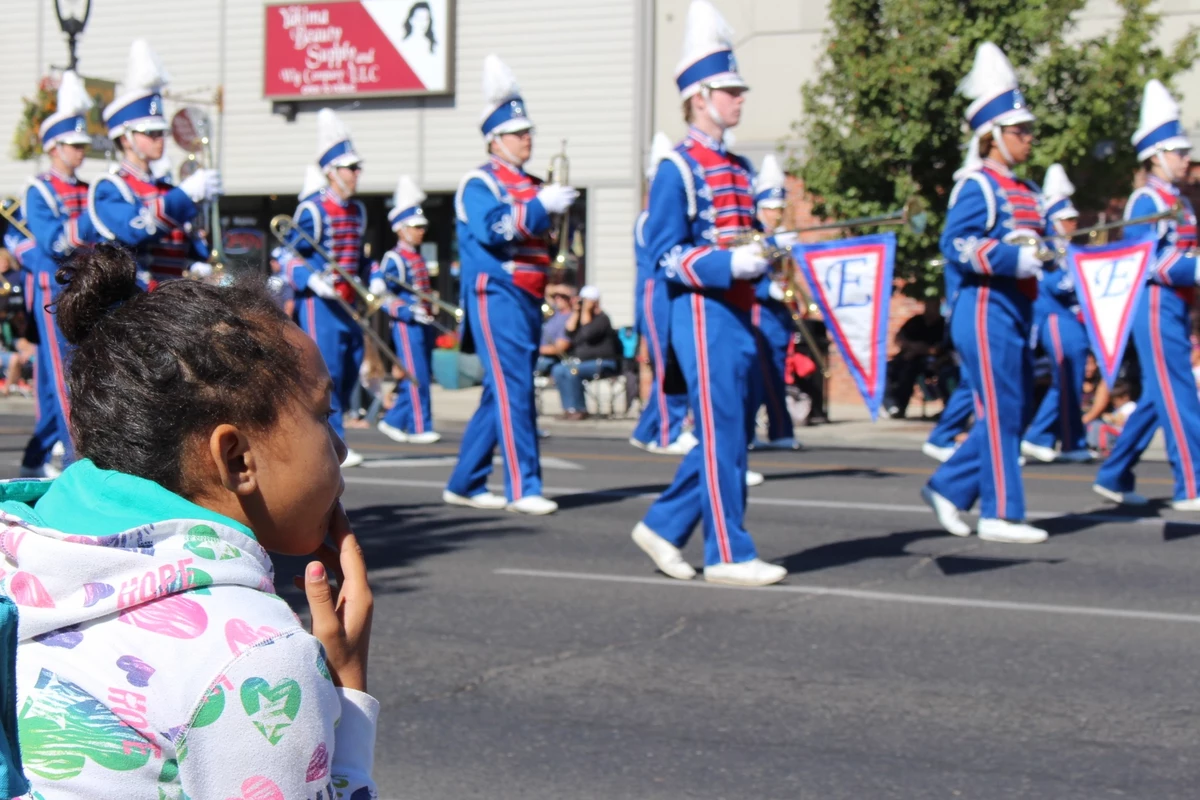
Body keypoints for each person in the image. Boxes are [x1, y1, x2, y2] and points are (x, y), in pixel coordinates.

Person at [0, 243, 377, 797]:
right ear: (237, 459)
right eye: (323, 414)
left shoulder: (20, 555)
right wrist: (348, 693)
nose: (340, 449)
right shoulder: (255, 658)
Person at [630, 0, 788, 586]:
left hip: (739, 312)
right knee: (723, 431)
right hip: (700, 313)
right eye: (730, 90)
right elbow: (664, 254)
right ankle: (728, 551)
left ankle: (665, 525)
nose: (740, 98)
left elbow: (745, 242)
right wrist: (729, 261)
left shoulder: (741, 168)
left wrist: (769, 247)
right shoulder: (676, 167)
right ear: (700, 96)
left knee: (732, 431)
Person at [921, 42, 1050, 544]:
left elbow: (1042, 242)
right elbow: (955, 243)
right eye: (1020, 131)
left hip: (1017, 307)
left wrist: (1046, 253)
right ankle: (1000, 512)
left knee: (1013, 408)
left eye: (1029, 130)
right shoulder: (976, 185)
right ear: (992, 136)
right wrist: (1010, 256)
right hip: (983, 306)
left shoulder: (1027, 188)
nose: (1029, 138)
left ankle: (950, 487)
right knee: (999, 408)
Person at [443, 54, 579, 515]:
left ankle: (466, 481)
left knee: (499, 389)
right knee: (516, 387)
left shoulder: (531, 183)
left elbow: (541, 237)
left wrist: (553, 211)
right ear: (495, 140)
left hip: (527, 294)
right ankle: (525, 486)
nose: (528, 140)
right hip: (495, 292)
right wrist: (542, 206)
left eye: (528, 133)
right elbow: (494, 229)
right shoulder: (478, 182)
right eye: (519, 134)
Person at [1093, 80, 1200, 510]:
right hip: (1154, 303)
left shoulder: (1178, 200)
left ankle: (1113, 473)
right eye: (1178, 152)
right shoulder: (1144, 199)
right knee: (1180, 394)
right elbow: (1147, 260)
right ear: (1155, 156)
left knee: (1160, 396)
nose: (1186, 158)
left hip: (1176, 304)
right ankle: (1190, 483)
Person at [90, 40, 221, 288]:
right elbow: (137, 229)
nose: (159, 139)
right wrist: (185, 194)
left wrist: (195, 262)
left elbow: (183, 244)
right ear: (126, 138)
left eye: (161, 132)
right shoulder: (110, 188)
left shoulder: (166, 189)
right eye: (150, 133)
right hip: (134, 303)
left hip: (171, 301)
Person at [282, 108, 369, 468]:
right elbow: (284, 254)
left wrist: (369, 277)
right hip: (320, 305)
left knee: (351, 366)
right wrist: (313, 280)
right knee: (326, 372)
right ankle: (333, 445)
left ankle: (330, 437)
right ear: (332, 172)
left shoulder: (358, 210)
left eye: (357, 167)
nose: (356, 174)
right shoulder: (312, 209)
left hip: (348, 303)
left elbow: (357, 257)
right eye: (350, 168)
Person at [20, 71, 97, 473]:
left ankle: (37, 459)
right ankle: (74, 462)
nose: (81, 152)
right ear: (54, 147)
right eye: (73, 145)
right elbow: (51, 242)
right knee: (65, 378)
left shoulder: (87, 188)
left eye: (83, 144)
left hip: (88, 287)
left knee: (75, 377)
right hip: (55, 291)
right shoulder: (41, 189)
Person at [1021, 163, 1093, 463]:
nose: (1073, 224)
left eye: (1074, 219)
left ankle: (1071, 440)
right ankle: (1038, 435)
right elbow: (1052, 283)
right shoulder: (1049, 248)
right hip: (1052, 318)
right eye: (1066, 219)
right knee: (1064, 379)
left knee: (1073, 380)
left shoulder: (1068, 249)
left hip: (1070, 319)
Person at [630, 132, 695, 455]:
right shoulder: (648, 220)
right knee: (669, 366)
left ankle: (646, 429)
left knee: (676, 364)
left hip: (667, 292)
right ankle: (668, 432)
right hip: (657, 293)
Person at [374, 175, 440, 444]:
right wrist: (408, 311)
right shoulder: (394, 258)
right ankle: (418, 427)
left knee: (421, 376)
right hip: (406, 325)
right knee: (416, 377)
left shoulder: (417, 256)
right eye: (415, 226)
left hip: (422, 325)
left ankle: (393, 421)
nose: (420, 231)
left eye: (422, 226)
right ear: (400, 229)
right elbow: (382, 296)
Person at [749, 154, 802, 449]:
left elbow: (788, 274)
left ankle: (781, 430)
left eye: (780, 209)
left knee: (776, 374)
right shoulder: (756, 235)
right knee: (760, 373)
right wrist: (767, 289)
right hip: (759, 311)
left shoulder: (783, 236)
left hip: (778, 315)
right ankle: (754, 430)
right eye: (770, 209)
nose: (776, 215)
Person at [551, 285, 620, 420]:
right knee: (558, 370)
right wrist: (576, 312)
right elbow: (569, 331)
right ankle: (570, 408)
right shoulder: (579, 318)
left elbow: (588, 332)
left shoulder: (602, 318)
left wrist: (586, 311)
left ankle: (580, 409)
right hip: (582, 362)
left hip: (603, 363)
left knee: (573, 372)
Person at [536, 285, 573, 376]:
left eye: (562, 297)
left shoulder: (570, 318)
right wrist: (556, 289)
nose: (557, 299)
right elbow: (545, 292)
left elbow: (560, 347)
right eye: (555, 296)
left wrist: (537, 349)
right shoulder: (553, 314)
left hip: (552, 359)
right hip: (540, 356)